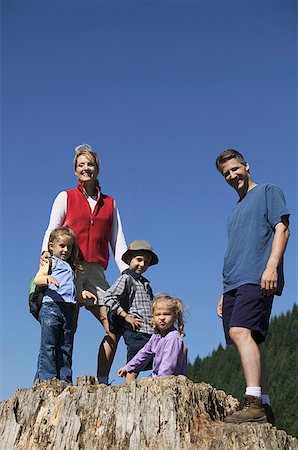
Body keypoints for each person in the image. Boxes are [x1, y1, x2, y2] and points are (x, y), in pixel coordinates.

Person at [40, 144, 128, 383]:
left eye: (90, 164)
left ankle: (101, 381)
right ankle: (54, 380)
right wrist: (45, 257)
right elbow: (52, 229)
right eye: (81, 165)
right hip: (68, 268)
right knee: (65, 327)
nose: (86, 168)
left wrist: (127, 272)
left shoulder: (110, 203)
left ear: (97, 168)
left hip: (97, 272)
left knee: (114, 325)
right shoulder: (65, 197)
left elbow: (117, 241)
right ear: (75, 170)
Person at [215, 149, 290, 424]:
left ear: (247, 165)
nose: (232, 175)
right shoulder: (234, 213)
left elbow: (282, 229)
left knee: (240, 331)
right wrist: (223, 292)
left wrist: (271, 267)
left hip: (256, 277)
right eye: (226, 173)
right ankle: (265, 403)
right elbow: (233, 251)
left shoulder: (268, 191)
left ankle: (253, 401)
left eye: (235, 169)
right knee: (251, 341)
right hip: (233, 282)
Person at [34, 226, 96, 383]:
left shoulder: (71, 267)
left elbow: (72, 289)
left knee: (65, 345)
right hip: (51, 307)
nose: (65, 250)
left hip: (68, 309)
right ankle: (47, 378)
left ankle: (65, 378)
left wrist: (83, 295)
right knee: (49, 344)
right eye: (62, 246)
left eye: (69, 247)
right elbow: (37, 279)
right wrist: (47, 278)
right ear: (51, 246)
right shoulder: (50, 262)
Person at [104, 240, 158, 383]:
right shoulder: (126, 278)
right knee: (134, 364)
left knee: (152, 361)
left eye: (146, 262)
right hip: (136, 329)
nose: (142, 264)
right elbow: (109, 297)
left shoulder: (145, 284)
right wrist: (126, 316)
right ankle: (128, 391)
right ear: (129, 260)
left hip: (149, 330)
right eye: (139, 260)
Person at [118, 294, 187, 380]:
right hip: (159, 379)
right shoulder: (156, 336)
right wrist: (128, 367)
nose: (162, 318)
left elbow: (169, 364)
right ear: (153, 317)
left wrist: (159, 381)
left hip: (171, 381)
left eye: (167, 314)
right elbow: (143, 353)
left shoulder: (173, 337)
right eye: (158, 314)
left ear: (175, 316)